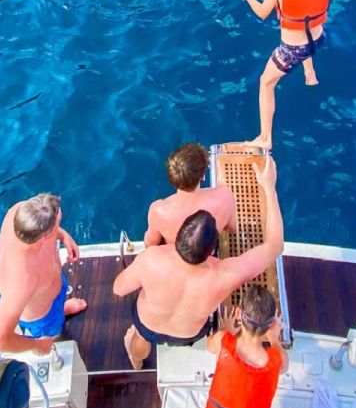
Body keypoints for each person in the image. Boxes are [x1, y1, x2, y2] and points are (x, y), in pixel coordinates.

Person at [113, 156, 284, 369]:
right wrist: (269, 188)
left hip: (148, 322)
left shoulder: (151, 260)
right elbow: (275, 246)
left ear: (180, 235)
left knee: (141, 337)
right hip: (190, 332)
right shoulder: (224, 275)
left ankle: (137, 361)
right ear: (212, 249)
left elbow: (119, 288)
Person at [236, 0, 330, 150]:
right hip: (318, 38)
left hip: (292, 50)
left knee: (265, 83)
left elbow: (262, 13)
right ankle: (310, 73)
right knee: (307, 40)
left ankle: (265, 138)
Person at [190, 285, 288, 408]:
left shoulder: (223, 341)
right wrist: (274, 339)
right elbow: (285, 364)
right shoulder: (276, 362)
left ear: (238, 312)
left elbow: (211, 345)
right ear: (271, 325)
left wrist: (227, 329)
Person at [0, 194, 85, 355]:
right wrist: (38, 346)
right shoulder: (21, 282)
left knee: (58, 301)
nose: (60, 216)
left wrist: (64, 236)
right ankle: (54, 334)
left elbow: (43, 225)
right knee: (54, 335)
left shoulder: (18, 211)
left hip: (49, 288)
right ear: (44, 237)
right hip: (43, 315)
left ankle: (61, 309)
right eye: (57, 223)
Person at [144, 143, 238, 246]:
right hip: (208, 256)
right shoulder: (225, 197)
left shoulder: (158, 211)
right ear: (202, 176)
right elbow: (232, 228)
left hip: (174, 256)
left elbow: (151, 244)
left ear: (172, 178)